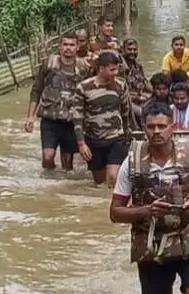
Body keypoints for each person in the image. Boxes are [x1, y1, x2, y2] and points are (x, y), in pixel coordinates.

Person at [110, 102, 189, 294]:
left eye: (162, 126)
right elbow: (115, 212)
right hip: (153, 244)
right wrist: (146, 210)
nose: (156, 131)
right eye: (151, 127)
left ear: (173, 127)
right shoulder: (130, 164)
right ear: (144, 128)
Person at [24, 33, 91, 171]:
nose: (68, 48)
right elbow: (37, 89)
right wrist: (30, 116)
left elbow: (90, 94)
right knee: (48, 157)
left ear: (77, 47)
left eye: (72, 45)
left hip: (71, 122)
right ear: (60, 46)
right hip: (50, 121)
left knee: (67, 164)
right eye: (65, 44)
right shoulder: (49, 64)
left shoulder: (84, 68)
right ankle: (48, 182)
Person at [72, 52, 131, 187]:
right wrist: (81, 144)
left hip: (117, 137)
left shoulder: (121, 84)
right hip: (94, 139)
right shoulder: (84, 87)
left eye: (117, 69)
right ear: (101, 69)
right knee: (99, 182)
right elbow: (77, 118)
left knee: (113, 178)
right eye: (112, 70)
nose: (115, 73)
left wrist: (127, 134)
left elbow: (125, 112)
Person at [122, 38, 152, 107]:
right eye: (129, 49)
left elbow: (145, 83)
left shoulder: (138, 66)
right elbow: (119, 92)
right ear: (123, 50)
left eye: (135, 50)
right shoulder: (118, 67)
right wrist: (137, 97)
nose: (132, 52)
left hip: (140, 97)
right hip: (127, 100)